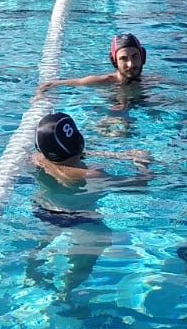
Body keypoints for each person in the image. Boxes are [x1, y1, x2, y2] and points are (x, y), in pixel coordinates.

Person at [28, 111, 149, 303]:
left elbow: (70, 156)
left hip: (43, 209)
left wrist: (119, 155)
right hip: (80, 217)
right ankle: (66, 292)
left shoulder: (39, 159)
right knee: (95, 247)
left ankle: (32, 269)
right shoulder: (92, 175)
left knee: (45, 241)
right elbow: (141, 183)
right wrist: (143, 165)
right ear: (79, 140)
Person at [37, 33, 147, 94]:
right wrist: (39, 95)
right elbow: (50, 84)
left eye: (135, 56)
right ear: (114, 62)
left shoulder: (152, 81)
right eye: (123, 58)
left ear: (143, 57)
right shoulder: (105, 81)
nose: (131, 64)